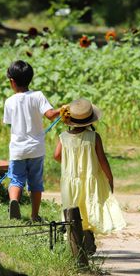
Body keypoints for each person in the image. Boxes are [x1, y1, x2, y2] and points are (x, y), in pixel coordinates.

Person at [53, 98, 125, 255]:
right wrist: (110, 178)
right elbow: (102, 160)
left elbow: (56, 155)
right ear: (89, 120)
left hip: (70, 181)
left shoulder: (63, 137)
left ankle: (76, 245)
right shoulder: (94, 137)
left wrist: (69, 165)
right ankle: (88, 242)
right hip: (90, 181)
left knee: (73, 209)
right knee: (88, 208)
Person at [3, 60, 59, 222]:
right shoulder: (38, 96)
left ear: (12, 82)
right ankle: (35, 215)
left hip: (17, 149)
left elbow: (9, 122)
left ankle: (14, 201)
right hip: (36, 148)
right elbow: (50, 115)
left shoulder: (9, 102)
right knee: (35, 183)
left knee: (16, 179)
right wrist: (61, 110)